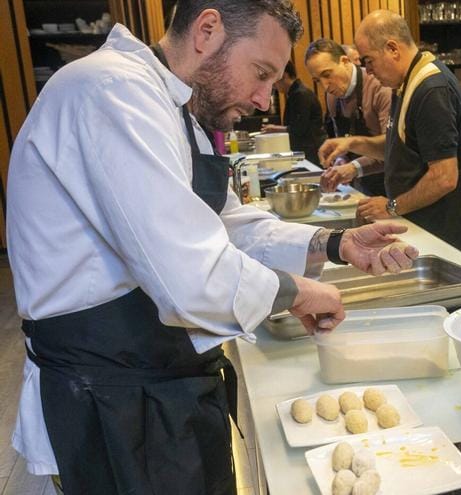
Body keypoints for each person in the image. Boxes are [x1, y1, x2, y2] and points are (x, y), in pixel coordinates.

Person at [5, 1, 419, 493]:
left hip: (162, 378)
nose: (267, 99)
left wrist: (335, 244)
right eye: (261, 73)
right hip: (113, 398)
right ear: (207, 30)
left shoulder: (176, 110)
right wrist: (297, 293)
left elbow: (226, 224)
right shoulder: (110, 91)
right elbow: (188, 274)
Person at [319, 10, 461, 253]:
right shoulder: (406, 82)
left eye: (368, 60)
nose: (368, 70)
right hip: (423, 218)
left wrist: (391, 206)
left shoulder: (431, 90)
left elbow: (444, 177)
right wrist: (351, 143)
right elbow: (399, 147)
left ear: (392, 49)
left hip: (443, 221)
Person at [304, 38, 391, 197]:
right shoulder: (331, 97)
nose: (325, 86)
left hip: (389, 187)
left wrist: (353, 167)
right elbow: (343, 140)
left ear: (344, 61)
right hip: (360, 185)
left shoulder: (380, 87)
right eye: (318, 80)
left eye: (327, 74)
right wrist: (340, 160)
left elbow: (393, 149)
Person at [261, 61, 327, 164]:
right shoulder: (293, 93)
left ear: (284, 75)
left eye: (274, 81)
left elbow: (299, 129)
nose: (273, 86)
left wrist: (275, 128)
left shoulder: (300, 94)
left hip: (312, 150)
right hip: (306, 148)